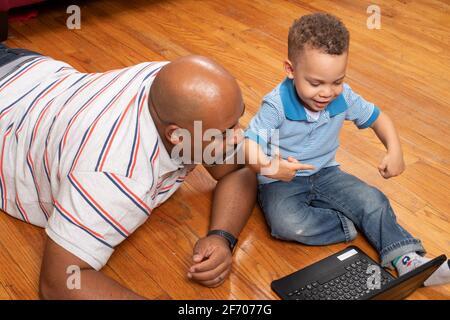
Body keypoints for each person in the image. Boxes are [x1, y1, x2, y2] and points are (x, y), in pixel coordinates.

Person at [0, 43, 257, 299]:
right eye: (224, 133)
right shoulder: (114, 174)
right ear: (176, 135)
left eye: (238, 119)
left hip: (31, 69)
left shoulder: (176, 86)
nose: (239, 137)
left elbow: (239, 168)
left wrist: (222, 236)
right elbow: (59, 283)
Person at [244, 13, 449, 288]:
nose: (327, 92)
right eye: (316, 83)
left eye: (337, 81)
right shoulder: (276, 104)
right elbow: (249, 146)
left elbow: (379, 118)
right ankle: (348, 224)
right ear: (290, 70)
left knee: (373, 200)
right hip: (282, 180)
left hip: (326, 173)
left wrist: (395, 149)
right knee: (286, 224)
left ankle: (408, 260)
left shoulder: (344, 97)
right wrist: (271, 168)